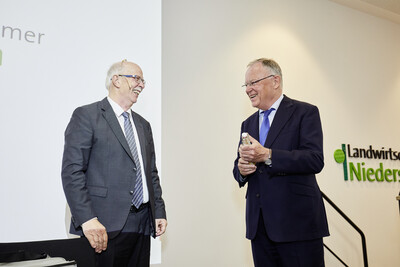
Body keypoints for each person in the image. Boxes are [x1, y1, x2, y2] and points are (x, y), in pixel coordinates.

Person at [62, 59, 167, 267]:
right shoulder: (87, 116)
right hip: (102, 225)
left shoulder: (143, 125)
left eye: (144, 81)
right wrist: (87, 219)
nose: (142, 85)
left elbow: (150, 173)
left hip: (141, 224)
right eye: (137, 78)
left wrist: (159, 211)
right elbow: (72, 172)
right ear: (116, 80)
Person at [233, 58, 329, 266]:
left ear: (275, 81)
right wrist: (241, 169)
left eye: (253, 83)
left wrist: (268, 155)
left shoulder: (305, 112)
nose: (248, 89)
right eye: (246, 85)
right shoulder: (247, 123)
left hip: (298, 226)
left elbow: (314, 159)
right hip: (259, 228)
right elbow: (238, 165)